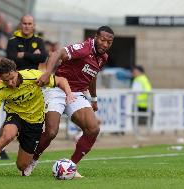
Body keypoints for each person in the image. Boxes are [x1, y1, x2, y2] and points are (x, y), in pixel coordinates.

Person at [23, 26, 115, 178]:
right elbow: (56, 53)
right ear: (95, 37)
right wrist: (47, 73)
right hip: (57, 89)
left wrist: (94, 99)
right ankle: (33, 160)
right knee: (51, 132)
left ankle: (71, 166)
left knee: (93, 129)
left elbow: (92, 76)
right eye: (103, 40)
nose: (105, 44)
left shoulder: (103, 57)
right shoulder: (84, 48)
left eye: (109, 42)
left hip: (76, 94)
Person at [0, 57, 75, 177]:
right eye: (6, 81)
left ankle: (26, 153)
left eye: (11, 78)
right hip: (16, 115)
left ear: (16, 71)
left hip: (35, 121)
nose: (10, 83)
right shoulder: (0, 90)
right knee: (7, 135)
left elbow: (61, 80)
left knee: (22, 166)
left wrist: (69, 93)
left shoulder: (33, 76)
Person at [0, 14, 48, 159]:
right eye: (24, 23)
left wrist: (23, 55)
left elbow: (43, 57)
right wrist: (32, 55)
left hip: (33, 84)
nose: (27, 26)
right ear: (20, 24)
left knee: (31, 114)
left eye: (29, 23)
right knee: (10, 115)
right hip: (14, 84)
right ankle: (1, 148)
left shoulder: (39, 40)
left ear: (34, 25)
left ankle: (25, 144)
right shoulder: (13, 41)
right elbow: (11, 58)